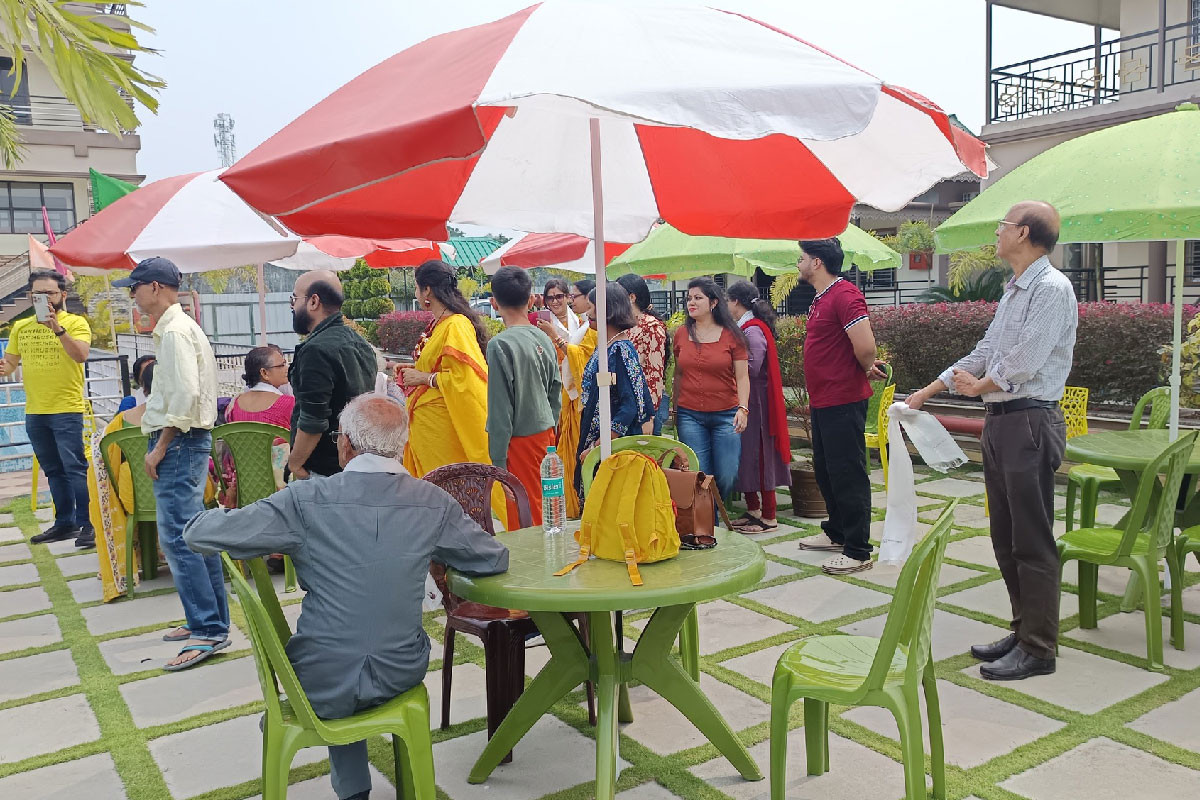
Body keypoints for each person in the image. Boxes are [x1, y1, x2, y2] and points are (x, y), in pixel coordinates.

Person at [184, 393, 509, 800]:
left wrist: (223, 506)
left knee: (337, 648)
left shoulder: (306, 500)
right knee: (357, 638)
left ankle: (353, 790)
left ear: (345, 445)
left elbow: (198, 534)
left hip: (319, 680)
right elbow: (492, 558)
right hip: (400, 669)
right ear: (402, 446)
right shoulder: (432, 502)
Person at [907, 201, 1075, 681]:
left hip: (1029, 422)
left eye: (1003, 226)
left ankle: (1039, 648)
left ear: (1022, 233)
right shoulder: (1014, 289)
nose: (997, 233)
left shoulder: (1051, 288)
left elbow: (1026, 358)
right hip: (1001, 422)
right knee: (1005, 536)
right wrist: (929, 391)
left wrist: (981, 385)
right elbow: (987, 350)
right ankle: (1023, 630)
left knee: (1032, 539)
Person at [113, 257, 227, 671]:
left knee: (180, 539)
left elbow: (184, 399)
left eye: (135, 287)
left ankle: (207, 629)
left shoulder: (176, 331)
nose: (132, 295)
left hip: (179, 441)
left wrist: (160, 446)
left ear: (156, 287)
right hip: (184, 440)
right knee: (192, 535)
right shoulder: (176, 328)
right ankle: (208, 621)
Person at [793, 239, 887, 576]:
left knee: (848, 473)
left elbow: (866, 347)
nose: (798, 264)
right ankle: (836, 532)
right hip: (824, 399)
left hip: (843, 398)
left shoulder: (845, 295)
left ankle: (858, 549)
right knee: (826, 470)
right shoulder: (822, 297)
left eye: (801, 258)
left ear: (817, 262)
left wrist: (864, 367)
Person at [87, 364, 218, 601]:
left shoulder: (121, 421)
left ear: (144, 388)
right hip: (184, 494)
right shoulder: (181, 420)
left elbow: (103, 463)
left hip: (136, 499)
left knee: (127, 474)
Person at [2, 269, 95, 548]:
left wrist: (57, 329)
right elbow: (10, 365)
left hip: (66, 408)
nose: (44, 299)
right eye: (37, 294)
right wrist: (3, 367)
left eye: (49, 293)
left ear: (62, 295)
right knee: (53, 470)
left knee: (75, 468)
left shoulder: (76, 322)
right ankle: (65, 523)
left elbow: (80, 355)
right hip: (35, 410)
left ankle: (89, 524)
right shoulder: (21, 327)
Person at [397, 260, 493, 480]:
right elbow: (441, 366)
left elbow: (465, 379)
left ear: (427, 290)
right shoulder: (439, 323)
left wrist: (424, 378)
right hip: (426, 425)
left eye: (416, 287)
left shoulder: (456, 324)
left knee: (446, 489)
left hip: (442, 429)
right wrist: (415, 371)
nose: (416, 294)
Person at [486, 267, 562, 524]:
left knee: (525, 513)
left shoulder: (500, 345)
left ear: (494, 303)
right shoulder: (544, 337)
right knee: (547, 507)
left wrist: (498, 461)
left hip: (519, 440)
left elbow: (500, 410)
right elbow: (555, 391)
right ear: (531, 300)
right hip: (546, 433)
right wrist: (550, 428)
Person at [287, 270, 377, 479]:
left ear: (313, 301)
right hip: (355, 463)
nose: (292, 306)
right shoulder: (358, 342)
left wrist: (294, 464)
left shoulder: (316, 350)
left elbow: (313, 421)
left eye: (294, 299)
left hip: (322, 470)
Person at [671, 277, 749, 502]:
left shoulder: (732, 336)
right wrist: (674, 408)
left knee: (727, 474)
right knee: (699, 475)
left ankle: (715, 508)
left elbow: (742, 377)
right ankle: (709, 520)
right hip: (689, 415)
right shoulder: (681, 334)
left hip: (727, 414)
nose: (691, 302)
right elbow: (678, 374)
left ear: (713, 303)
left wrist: (743, 409)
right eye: (689, 298)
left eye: (698, 298)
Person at [576, 284, 653, 499]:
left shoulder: (619, 351)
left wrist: (598, 446)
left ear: (606, 310)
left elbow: (630, 407)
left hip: (614, 452)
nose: (587, 314)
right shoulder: (608, 347)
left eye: (591, 307)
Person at [726, 280, 791, 533]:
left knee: (761, 455)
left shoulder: (752, 330)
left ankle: (769, 516)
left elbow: (751, 368)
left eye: (728, 300)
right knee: (747, 454)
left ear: (736, 302)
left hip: (758, 403)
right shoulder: (746, 327)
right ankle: (753, 509)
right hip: (749, 399)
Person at [540, 278, 599, 517]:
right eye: (550, 298)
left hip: (577, 394)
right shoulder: (547, 324)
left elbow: (584, 359)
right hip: (557, 390)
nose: (556, 302)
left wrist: (556, 336)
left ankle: (579, 500)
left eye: (562, 296)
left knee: (576, 448)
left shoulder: (585, 325)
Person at [616, 274, 668, 436]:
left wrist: (649, 416)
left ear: (631, 297)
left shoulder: (650, 326)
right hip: (623, 406)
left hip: (643, 409)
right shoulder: (620, 325)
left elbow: (655, 374)